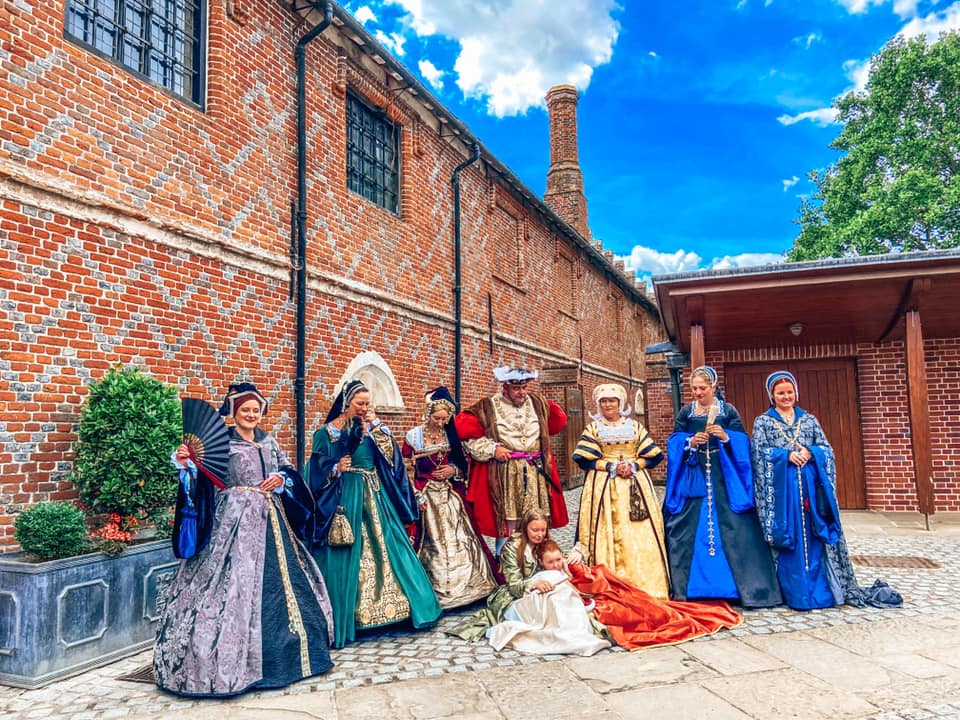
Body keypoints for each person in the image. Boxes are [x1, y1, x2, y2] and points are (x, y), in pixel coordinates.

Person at [154, 383, 334, 697]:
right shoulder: (222, 441)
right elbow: (201, 477)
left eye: (255, 410)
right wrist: (186, 462)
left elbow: (289, 471)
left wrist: (281, 479)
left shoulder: (269, 441)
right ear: (234, 413)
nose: (251, 415)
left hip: (271, 517)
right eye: (245, 410)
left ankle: (290, 658)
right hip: (232, 520)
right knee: (232, 585)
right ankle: (233, 664)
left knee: (282, 584)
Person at [306, 379, 442, 648]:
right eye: (360, 403)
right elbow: (313, 467)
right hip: (346, 497)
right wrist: (335, 467)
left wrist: (377, 425)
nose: (364, 408)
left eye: (368, 403)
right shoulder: (327, 432)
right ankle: (348, 616)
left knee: (391, 547)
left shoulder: (374, 430)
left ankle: (404, 610)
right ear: (346, 403)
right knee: (346, 552)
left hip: (376, 495)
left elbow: (392, 459)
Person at [751, 371, 902, 610]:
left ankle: (822, 591)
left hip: (812, 493)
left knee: (814, 537)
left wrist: (812, 453)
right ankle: (794, 593)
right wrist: (786, 455)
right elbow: (758, 454)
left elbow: (827, 449)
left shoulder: (809, 420)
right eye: (780, 393)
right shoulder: (763, 422)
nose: (786, 396)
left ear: (796, 393)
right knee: (791, 538)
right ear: (772, 395)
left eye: (790, 392)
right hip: (784, 496)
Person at [663, 366, 782, 608]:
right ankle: (691, 588)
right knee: (683, 526)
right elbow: (674, 441)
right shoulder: (687, 412)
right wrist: (690, 441)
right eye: (694, 388)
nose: (697, 392)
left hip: (723, 475)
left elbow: (742, 440)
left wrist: (726, 436)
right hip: (694, 476)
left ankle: (739, 588)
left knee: (736, 527)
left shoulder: (728, 411)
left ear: (713, 387)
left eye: (702, 388)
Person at [401, 386, 499, 608]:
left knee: (461, 538)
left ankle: (470, 587)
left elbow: (466, 464)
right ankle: (431, 591)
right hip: (425, 495)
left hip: (450, 494)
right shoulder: (414, 437)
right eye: (437, 418)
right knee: (431, 541)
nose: (440, 423)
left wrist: (453, 470)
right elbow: (405, 468)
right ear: (428, 415)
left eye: (445, 419)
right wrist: (416, 493)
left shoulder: (451, 436)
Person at [455, 366, 569, 555]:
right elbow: (469, 438)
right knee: (508, 519)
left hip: (535, 471)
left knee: (537, 515)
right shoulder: (487, 407)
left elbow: (556, 423)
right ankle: (506, 560)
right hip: (505, 472)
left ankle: (540, 556)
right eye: (516, 388)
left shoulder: (538, 404)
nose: (522, 392)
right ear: (505, 387)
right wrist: (493, 449)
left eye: (524, 387)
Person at [572, 383, 669, 598]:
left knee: (641, 531)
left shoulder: (634, 427)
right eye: (604, 401)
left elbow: (653, 455)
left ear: (620, 403)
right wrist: (610, 466)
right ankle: (608, 582)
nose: (608, 405)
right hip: (604, 486)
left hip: (635, 486)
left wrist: (635, 465)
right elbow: (583, 459)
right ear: (598, 404)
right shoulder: (593, 429)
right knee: (605, 528)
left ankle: (646, 584)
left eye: (612, 401)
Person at [484, 538, 610, 657]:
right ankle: (565, 630)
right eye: (550, 562)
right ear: (541, 562)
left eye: (558, 560)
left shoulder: (564, 566)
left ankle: (573, 628)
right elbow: (524, 588)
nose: (556, 565)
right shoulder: (542, 574)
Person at [449, 508, 557, 641]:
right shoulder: (512, 548)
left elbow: (555, 565)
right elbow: (514, 585)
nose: (540, 534)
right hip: (517, 594)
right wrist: (534, 584)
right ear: (525, 528)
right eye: (535, 530)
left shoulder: (545, 544)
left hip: (544, 589)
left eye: (543, 530)